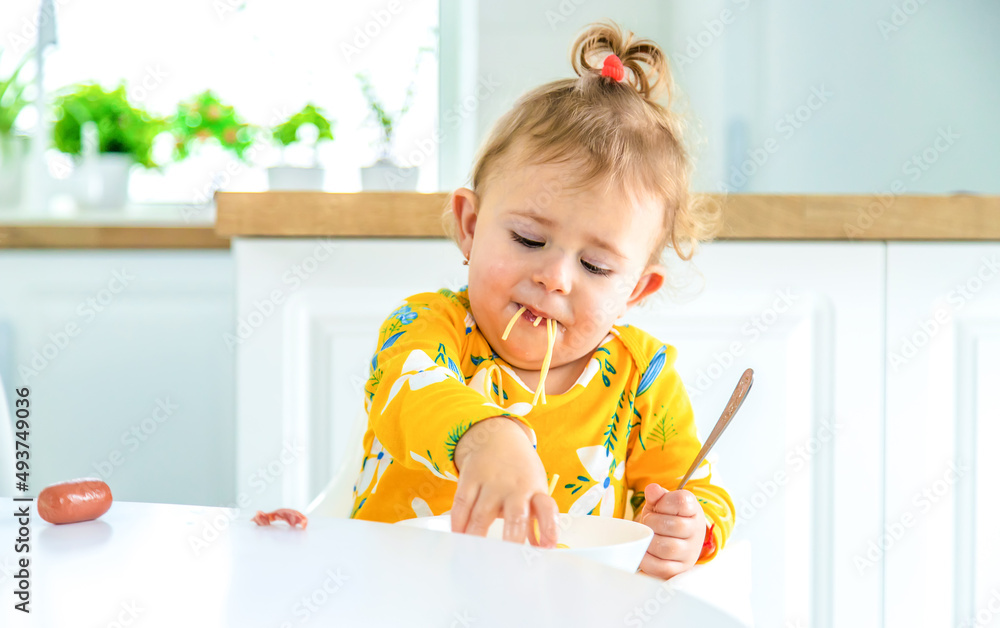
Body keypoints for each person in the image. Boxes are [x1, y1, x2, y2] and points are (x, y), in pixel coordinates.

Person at [351, 19, 734, 580]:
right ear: (470, 225)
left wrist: (691, 528)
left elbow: (693, 485)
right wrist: (489, 437)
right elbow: (412, 395)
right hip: (399, 595)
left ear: (635, 291)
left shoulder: (642, 378)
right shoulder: (426, 329)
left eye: (596, 266)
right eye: (529, 239)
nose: (555, 277)